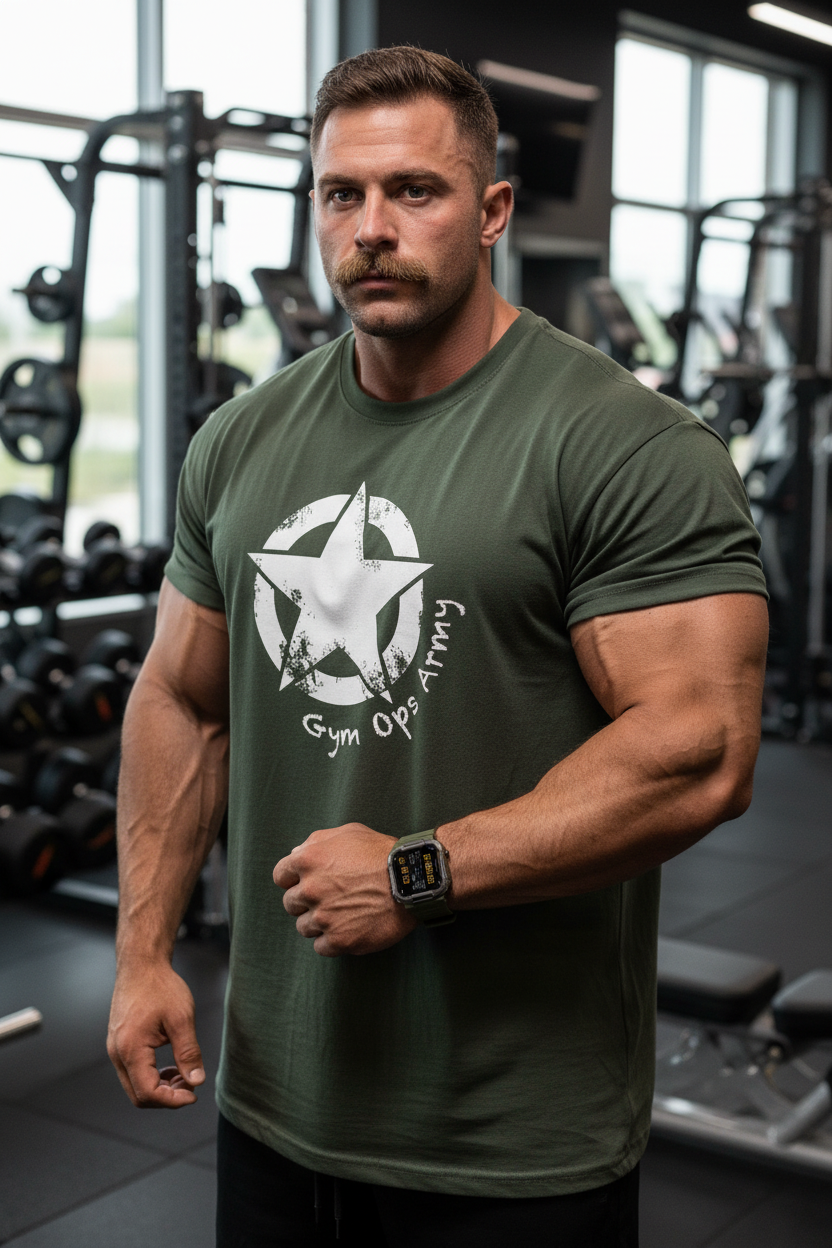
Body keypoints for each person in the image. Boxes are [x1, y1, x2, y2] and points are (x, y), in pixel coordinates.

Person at [107, 46, 769, 1248]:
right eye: (341, 195)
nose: (372, 228)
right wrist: (142, 950)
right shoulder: (241, 440)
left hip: (511, 1141)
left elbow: (699, 750)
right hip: (273, 1101)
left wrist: (418, 872)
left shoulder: (622, 444)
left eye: (414, 191)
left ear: (493, 211)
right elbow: (182, 701)